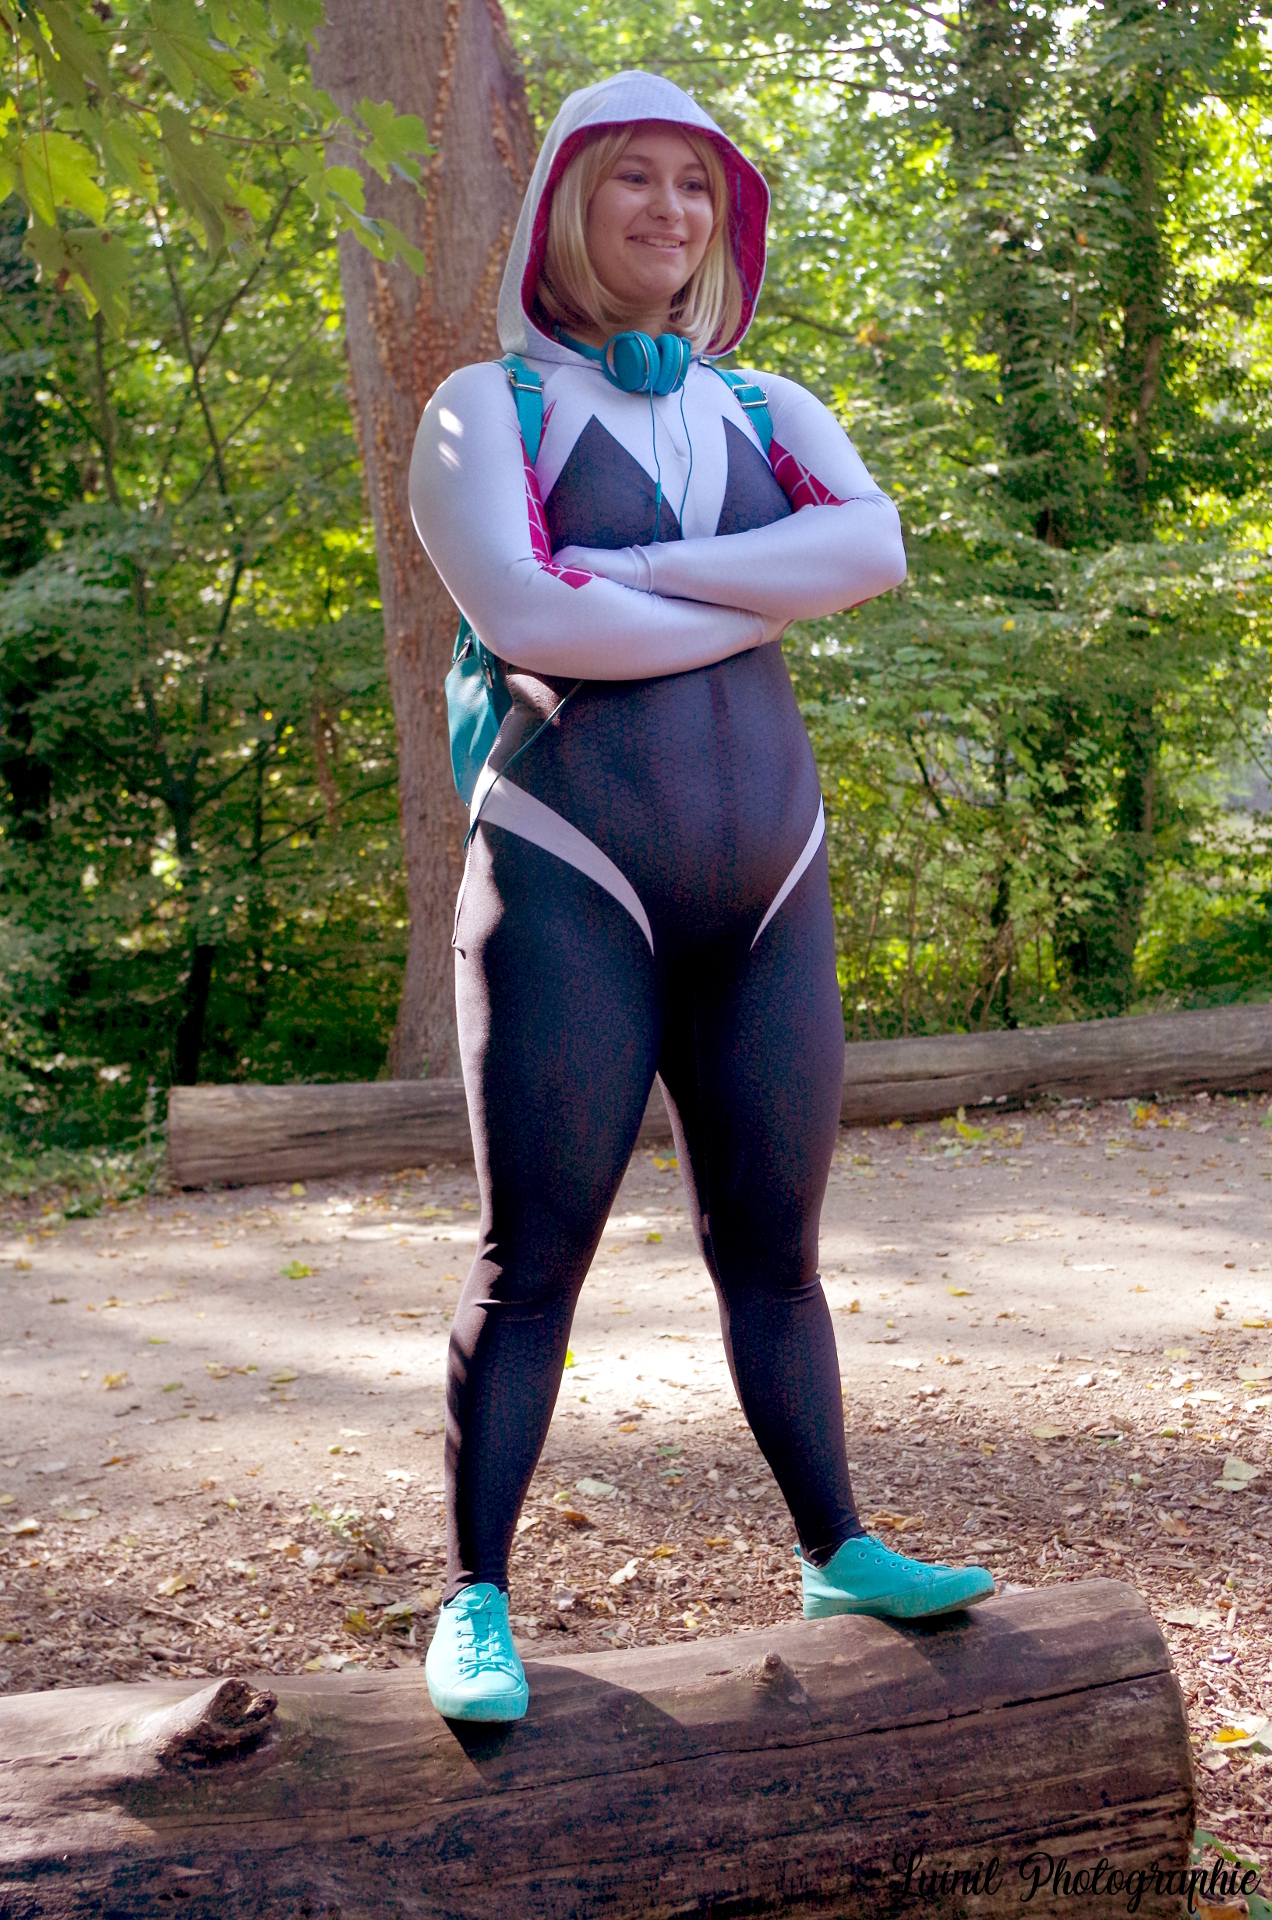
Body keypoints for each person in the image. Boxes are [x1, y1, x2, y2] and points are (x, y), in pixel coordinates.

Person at [409, 70, 993, 1724]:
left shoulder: (767, 405)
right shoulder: (487, 407)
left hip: (771, 892)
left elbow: (872, 551)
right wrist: (761, 593)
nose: (668, 209)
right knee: (534, 1260)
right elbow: (534, 623)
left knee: (778, 1252)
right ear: (564, 207)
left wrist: (648, 574)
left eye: (695, 184)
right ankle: (473, 1599)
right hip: (567, 881)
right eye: (632, 178)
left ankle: (837, 1547)